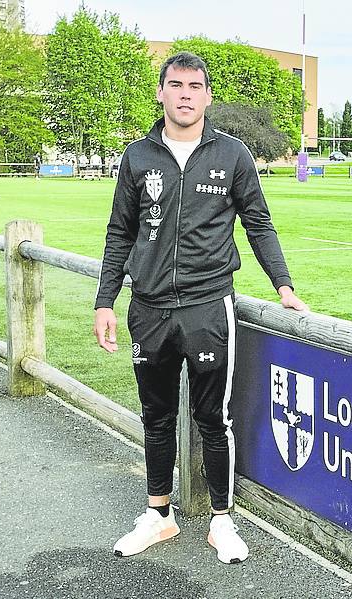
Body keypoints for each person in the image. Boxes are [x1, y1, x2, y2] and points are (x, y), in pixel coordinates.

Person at [93, 51, 308, 564]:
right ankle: (158, 516)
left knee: (214, 417)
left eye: (195, 86)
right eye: (176, 84)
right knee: (156, 415)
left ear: (207, 96)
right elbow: (119, 231)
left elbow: (258, 221)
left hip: (210, 307)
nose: (185, 94)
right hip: (149, 308)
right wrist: (106, 300)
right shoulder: (137, 156)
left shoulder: (232, 155)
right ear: (162, 92)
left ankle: (222, 521)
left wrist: (283, 285)